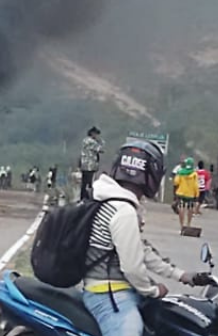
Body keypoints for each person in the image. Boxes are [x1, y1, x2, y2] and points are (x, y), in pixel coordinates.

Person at [83, 141, 200, 336]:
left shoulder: (111, 201)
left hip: (114, 289)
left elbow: (139, 250)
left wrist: (179, 275)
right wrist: (152, 290)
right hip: (108, 294)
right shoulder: (123, 211)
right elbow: (132, 267)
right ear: (150, 174)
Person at [174, 157, 199, 232]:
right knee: (190, 209)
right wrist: (196, 195)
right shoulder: (194, 174)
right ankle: (188, 224)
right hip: (190, 195)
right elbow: (196, 185)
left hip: (181, 193)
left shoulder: (180, 172)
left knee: (181, 209)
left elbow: (176, 182)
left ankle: (181, 226)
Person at [80, 126, 105, 200]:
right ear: (92, 133)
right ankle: (87, 198)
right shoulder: (91, 142)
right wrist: (101, 141)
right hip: (90, 166)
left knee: (84, 183)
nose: (97, 136)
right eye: (96, 134)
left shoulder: (85, 140)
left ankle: (83, 197)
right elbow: (100, 149)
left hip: (85, 165)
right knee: (89, 183)